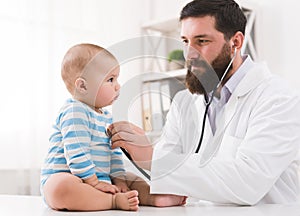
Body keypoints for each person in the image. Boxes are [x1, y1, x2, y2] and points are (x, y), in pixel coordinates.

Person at [108, 0, 300, 205]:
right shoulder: (185, 103)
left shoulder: (277, 98)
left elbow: (248, 182)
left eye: (201, 41)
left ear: (235, 42)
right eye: (185, 41)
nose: (189, 54)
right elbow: (163, 173)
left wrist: (153, 157)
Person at [40, 43, 186, 211]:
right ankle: (113, 201)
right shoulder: (74, 111)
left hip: (101, 178)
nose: (118, 86)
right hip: (72, 177)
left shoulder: (106, 117)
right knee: (60, 188)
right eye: (110, 80)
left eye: (116, 79)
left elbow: (114, 151)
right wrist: (93, 182)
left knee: (132, 178)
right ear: (83, 86)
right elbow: (76, 152)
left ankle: (152, 197)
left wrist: (120, 179)